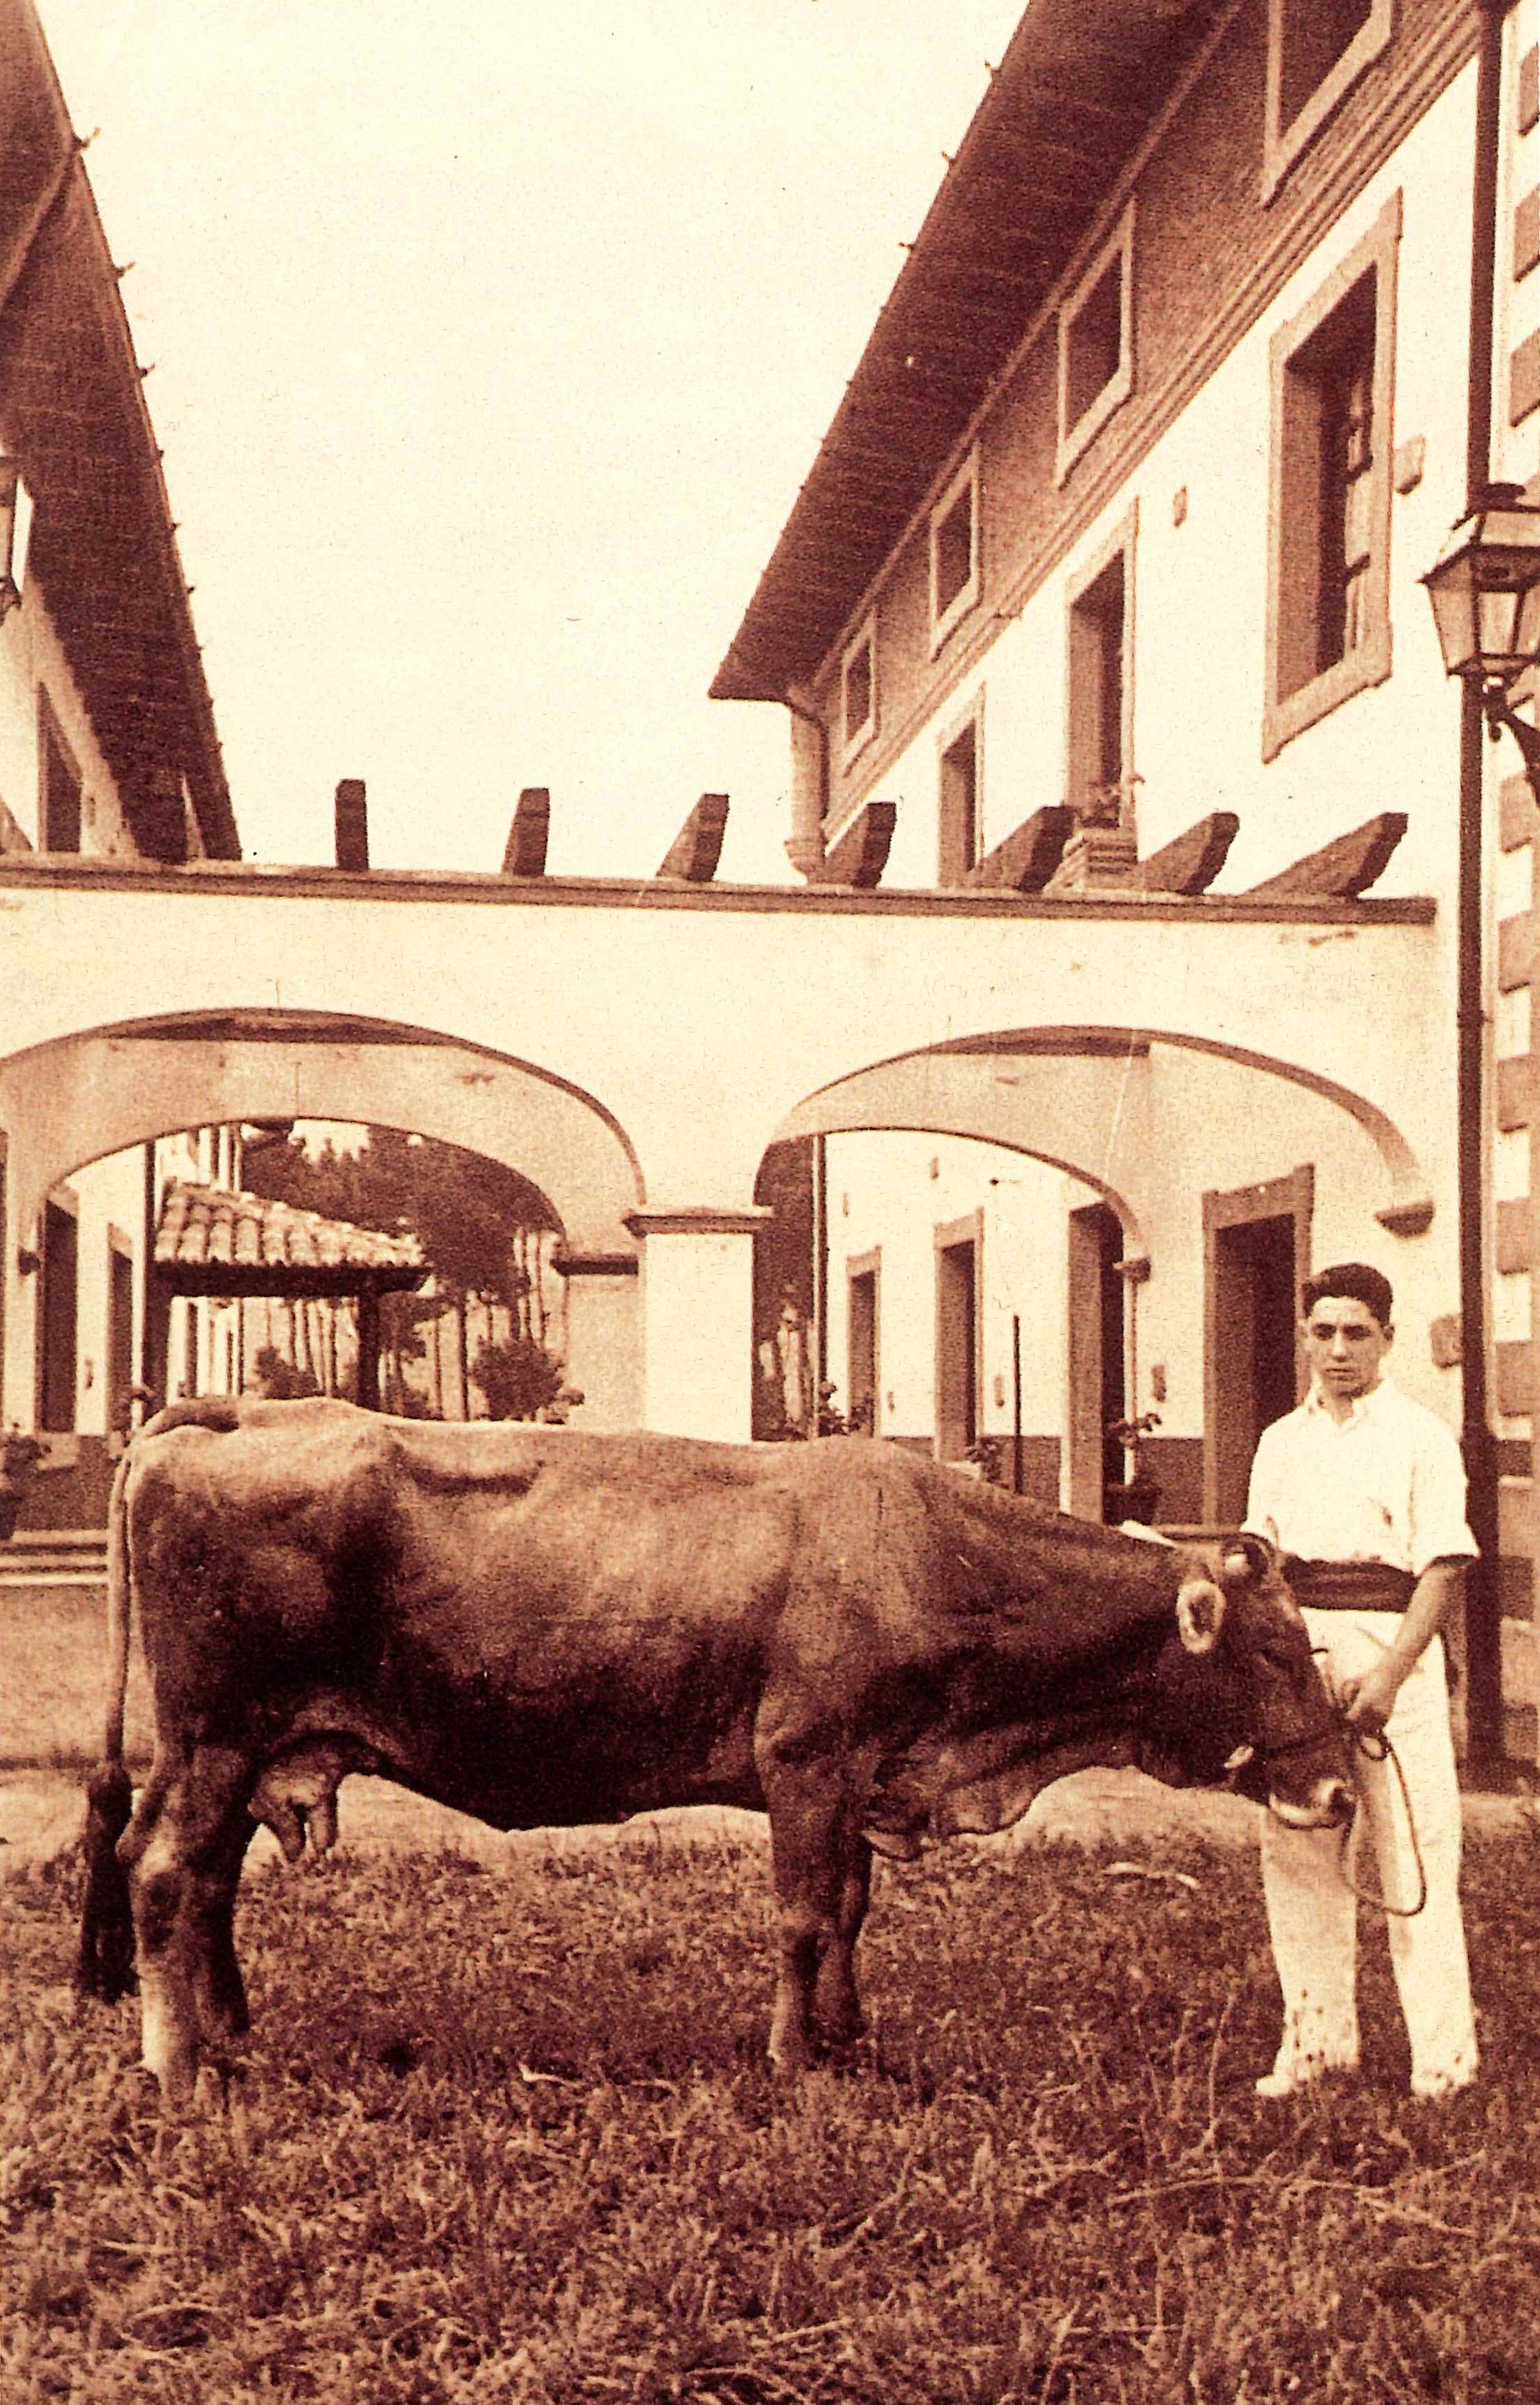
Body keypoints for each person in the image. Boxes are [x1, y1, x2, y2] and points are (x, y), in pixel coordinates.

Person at [1243, 1262, 1479, 2101]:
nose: (1337, 1350)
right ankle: (1313, 2048)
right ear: (1304, 1335)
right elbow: (1257, 1561)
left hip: (1393, 1664)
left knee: (1413, 1860)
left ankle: (1443, 2068)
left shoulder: (1419, 1434)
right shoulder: (1280, 1439)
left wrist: (1387, 1674)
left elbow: (1442, 1567)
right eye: (1322, 1332)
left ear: (1385, 1337)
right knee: (1299, 1855)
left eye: (1355, 1333)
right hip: (1300, 1669)